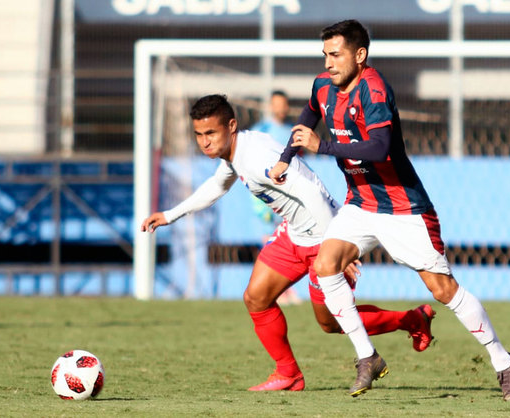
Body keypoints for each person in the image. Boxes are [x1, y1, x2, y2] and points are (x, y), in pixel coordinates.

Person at [268, 19, 510, 400]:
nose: (328, 63)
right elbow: (308, 117)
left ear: (360, 55)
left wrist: (321, 148)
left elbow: (378, 149)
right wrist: (286, 158)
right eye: (324, 54)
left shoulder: (374, 89)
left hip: (404, 207)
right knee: (325, 266)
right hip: (361, 204)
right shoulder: (323, 86)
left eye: (335, 54)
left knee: (443, 290)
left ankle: (504, 364)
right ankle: (367, 356)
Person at [141, 94, 435, 392]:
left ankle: (412, 320)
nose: (205, 142)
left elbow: (312, 194)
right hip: (294, 234)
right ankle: (288, 373)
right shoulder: (236, 152)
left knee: (331, 323)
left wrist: (336, 248)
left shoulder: (257, 158)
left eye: (211, 133)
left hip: (323, 235)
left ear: (231, 126)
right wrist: (170, 215)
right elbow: (218, 184)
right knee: (256, 298)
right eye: (199, 135)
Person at [251, 90, 301, 305]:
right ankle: (275, 291)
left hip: (289, 193)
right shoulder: (261, 130)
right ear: (271, 106)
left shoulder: (293, 131)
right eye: (277, 104)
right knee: (270, 244)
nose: (281, 108)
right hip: (267, 196)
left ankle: (286, 290)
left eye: (284, 104)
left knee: (290, 242)